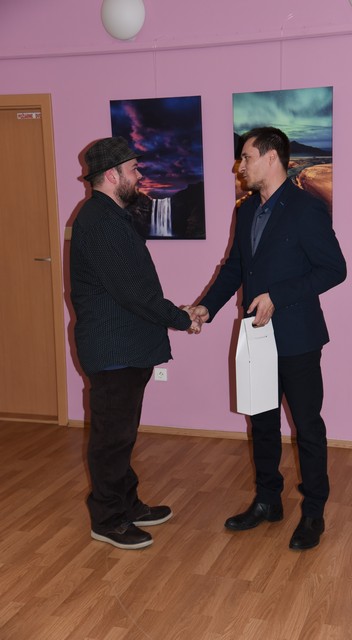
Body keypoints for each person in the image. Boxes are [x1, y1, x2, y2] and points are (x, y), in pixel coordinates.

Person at [190, 127, 346, 550]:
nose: (239, 166)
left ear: (271, 157)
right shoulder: (245, 211)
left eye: (246, 157)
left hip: (298, 336)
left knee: (307, 427)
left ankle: (313, 512)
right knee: (261, 422)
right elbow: (234, 267)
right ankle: (267, 500)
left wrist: (278, 295)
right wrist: (207, 307)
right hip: (255, 335)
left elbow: (334, 269)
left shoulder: (306, 208)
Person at [70, 136, 198, 550]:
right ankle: (107, 519)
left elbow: (133, 287)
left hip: (126, 348)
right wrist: (181, 318)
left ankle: (127, 504)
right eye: (133, 169)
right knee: (112, 439)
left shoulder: (110, 215)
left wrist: (176, 313)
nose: (140, 176)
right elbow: (134, 293)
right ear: (112, 175)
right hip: (113, 352)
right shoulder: (101, 222)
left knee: (122, 435)